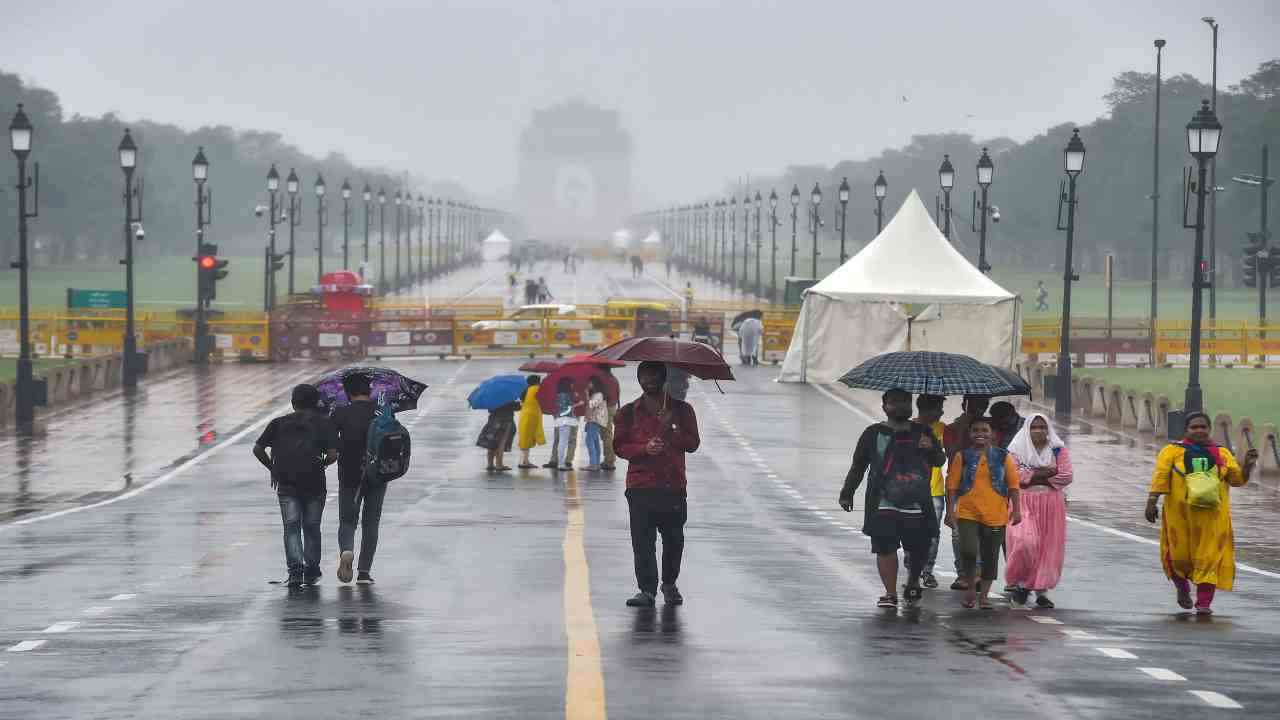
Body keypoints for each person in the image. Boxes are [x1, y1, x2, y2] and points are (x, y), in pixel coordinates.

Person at [840, 389, 944, 609]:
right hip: (882, 502)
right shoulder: (872, 433)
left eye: (905, 401)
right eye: (894, 402)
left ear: (911, 406)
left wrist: (931, 446)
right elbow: (859, 465)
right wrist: (847, 492)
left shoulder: (923, 432)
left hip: (917, 503)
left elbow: (939, 460)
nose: (900, 406)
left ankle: (913, 580)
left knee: (920, 547)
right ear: (884, 407)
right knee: (885, 547)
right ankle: (890, 593)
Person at [1146, 412, 1257, 615]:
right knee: (1178, 558)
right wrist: (1151, 501)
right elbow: (1161, 477)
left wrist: (1248, 465)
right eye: (1194, 427)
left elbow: (1237, 480)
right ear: (1186, 430)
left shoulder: (1222, 453)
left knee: (1209, 558)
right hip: (1179, 517)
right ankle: (1182, 589)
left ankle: (1204, 603)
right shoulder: (1171, 451)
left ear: (1209, 429)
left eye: (1203, 427)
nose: (1199, 430)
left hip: (1212, 519)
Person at [614, 361, 701, 607]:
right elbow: (619, 446)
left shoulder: (683, 411)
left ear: (663, 379)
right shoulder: (628, 412)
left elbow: (693, 444)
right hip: (640, 486)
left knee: (674, 540)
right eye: (645, 376)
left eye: (654, 376)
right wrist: (644, 448)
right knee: (642, 542)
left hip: (672, 485)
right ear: (639, 379)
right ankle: (646, 590)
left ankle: (669, 583)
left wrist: (671, 428)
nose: (649, 380)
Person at [253, 384, 338, 588]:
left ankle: (295, 572)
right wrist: (322, 463)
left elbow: (258, 449)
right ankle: (311, 570)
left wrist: (272, 467)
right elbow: (334, 455)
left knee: (291, 527)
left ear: (293, 403)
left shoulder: (278, 423)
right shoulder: (324, 423)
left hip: (287, 484)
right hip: (315, 483)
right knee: (311, 527)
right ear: (315, 403)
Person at [945, 417, 1022, 609]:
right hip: (967, 512)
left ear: (992, 434)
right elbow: (952, 486)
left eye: (985, 430)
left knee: (990, 556)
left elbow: (1013, 485)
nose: (980, 433)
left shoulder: (1004, 457)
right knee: (969, 551)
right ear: (970, 434)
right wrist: (950, 510)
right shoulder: (961, 456)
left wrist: (1017, 509)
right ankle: (971, 587)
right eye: (976, 430)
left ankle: (984, 596)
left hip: (996, 513)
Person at [1005, 413, 1073, 607]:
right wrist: (1045, 474)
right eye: (1034, 427)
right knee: (1025, 542)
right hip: (1023, 501)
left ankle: (1041, 590)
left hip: (1051, 503)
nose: (1038, 431)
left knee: (1048, 547)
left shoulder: (1058, 450)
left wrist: (1033, 476)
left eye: (1042, 427)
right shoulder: (1016, 450)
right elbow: (1014, 476)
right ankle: (1020, 582)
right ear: (1027, 429)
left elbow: (1066, 476)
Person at [330, 373, 384, 585]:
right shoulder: (381, 411)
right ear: (369, 390)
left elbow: (331, 446)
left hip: (349, 472)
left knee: (348, 520)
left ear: (347, 392)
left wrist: (324, 459)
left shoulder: (340, 413)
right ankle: (364, 571)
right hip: (378, 472)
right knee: (371, 522)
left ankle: (347, 551)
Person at [943, 394, 990, 590]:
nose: (977, 408)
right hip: (959, 487)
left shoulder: (989, 429)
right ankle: (962, 573)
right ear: (964, 405)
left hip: (985, 488)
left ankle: (979, 573)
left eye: (982, 404)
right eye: (973, 404)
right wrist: (964, 431)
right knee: (957, 533)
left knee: (982, 533)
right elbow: (951, 454)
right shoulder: (952, 428)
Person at [903, 394, 947, 589]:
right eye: (938, 408)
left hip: (934, 489)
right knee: (909, 532)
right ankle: (912, 568)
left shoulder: (942, 429)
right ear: (927, 409)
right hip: (909, 491)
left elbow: (942, 458)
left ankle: (926, 571)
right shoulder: (906, 429)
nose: (941, 412)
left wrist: (931, 447)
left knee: (932, 533)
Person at [477, 400, 518, 472]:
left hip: (493, 421)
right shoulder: (507, 397)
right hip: (505, 421)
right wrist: (518, 403)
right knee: (501, 443)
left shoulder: (492, 397)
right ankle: (499, 465)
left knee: (491, 442)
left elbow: (490, 409)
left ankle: (490, 464)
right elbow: (516, 407)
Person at [517, 375, 546, 469]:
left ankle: (524, 460)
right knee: (527, 439)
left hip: (524, 415)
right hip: (532, 416)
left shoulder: (525, 390)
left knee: (525, 438)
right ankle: (523, 462)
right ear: (537, 382)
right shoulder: (537, 389)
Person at [553, 378, 581, 471]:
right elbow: (568, 409)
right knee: (563, 442)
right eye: (571, 384)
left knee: (561, 441)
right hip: (566, 420)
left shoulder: (559, 395)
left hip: (559, 419)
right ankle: (561, 464)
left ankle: (560, 462)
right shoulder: (566, 395)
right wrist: (578, 403)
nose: (572, 386)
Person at [584, 378, 608, 471]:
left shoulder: (599, 395)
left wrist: (586, 395)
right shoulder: (596, 394)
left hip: (595, 420)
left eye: (590, 383)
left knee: (589, 441)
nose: (588, 384)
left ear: (595, 384)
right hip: (593, 420)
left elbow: (591, 405)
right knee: (595, 442)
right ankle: (596, 463)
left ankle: (593, 464)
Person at [600, 368, 620, 472]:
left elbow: (603, 396)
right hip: (613, 407)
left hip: (605, 408)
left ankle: (609, 460)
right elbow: (618, 394)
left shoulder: (604, 380)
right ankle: (610, 458)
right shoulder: (614, 379)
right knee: (609, 433)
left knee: (606, 435)